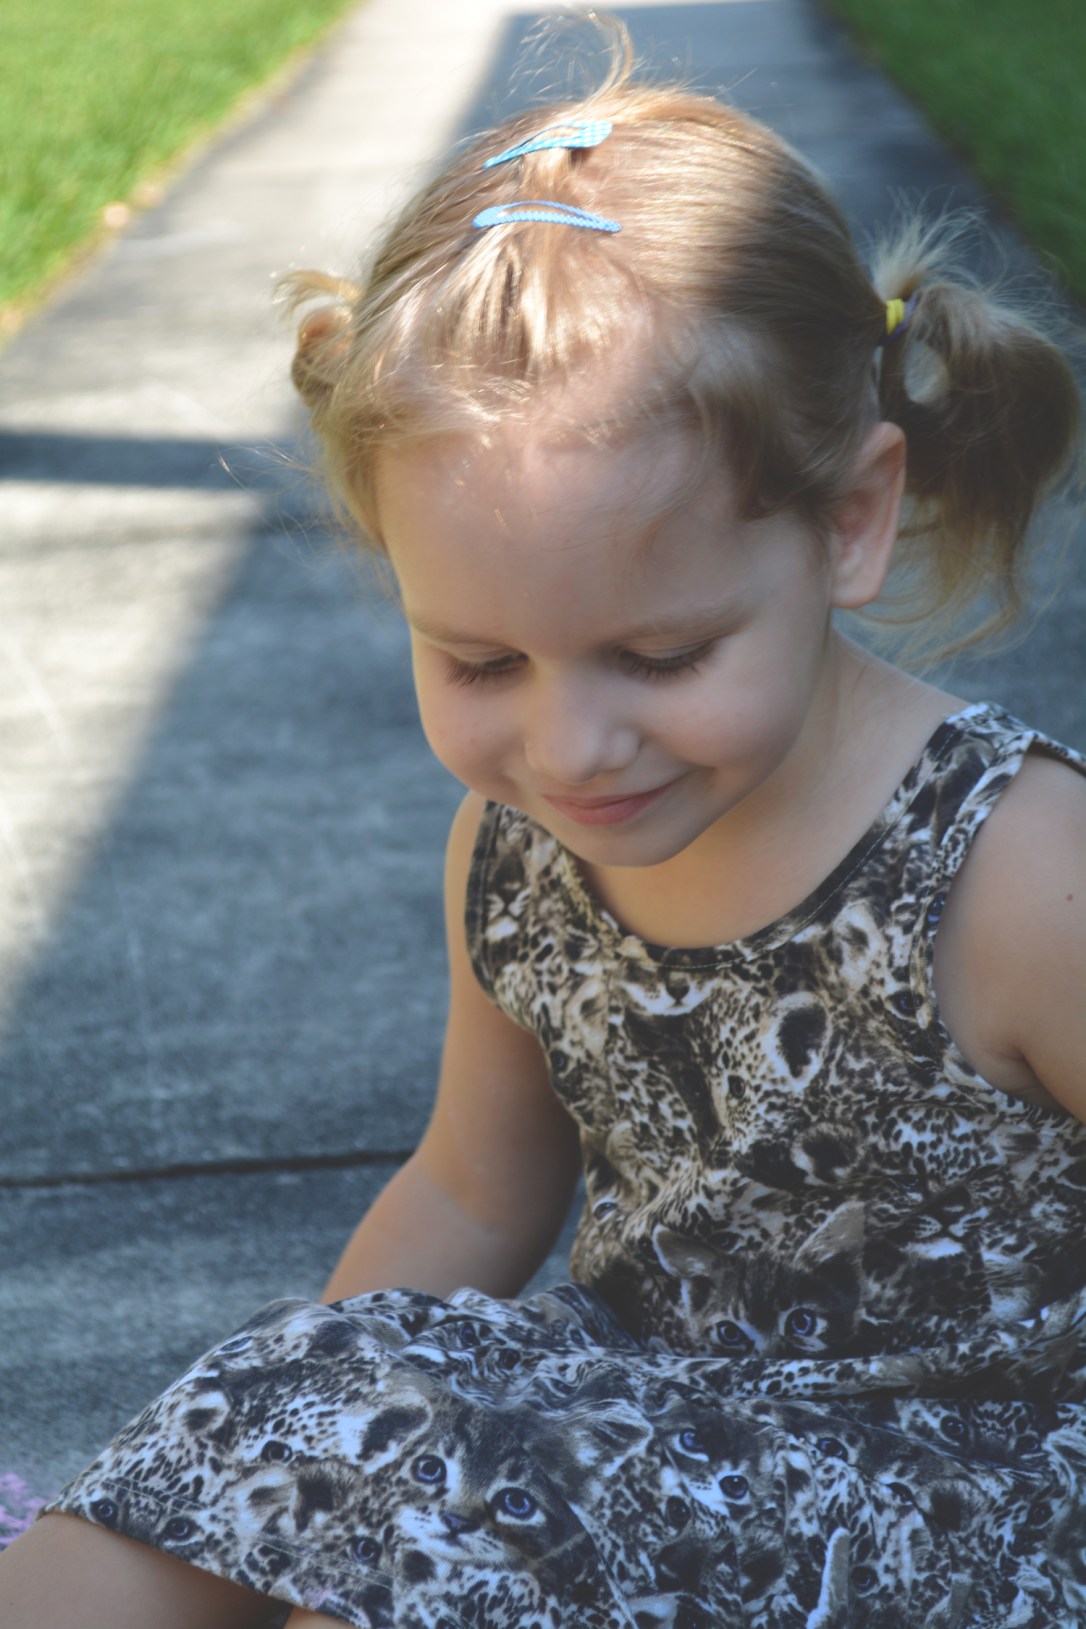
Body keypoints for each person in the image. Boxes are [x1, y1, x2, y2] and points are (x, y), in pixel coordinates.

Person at [4, 26, 1086, 1629]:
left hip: (940, 1510)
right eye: (479, 660)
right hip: (628, 1446)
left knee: (450, 1484)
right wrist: (310, 1457)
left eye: (658, 656)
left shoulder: (1015, 869)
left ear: (850, 520)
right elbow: (469, 1189)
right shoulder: (515, 856)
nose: (568, 744)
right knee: (337, 1430)